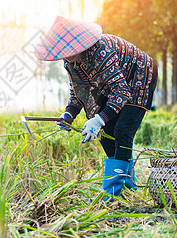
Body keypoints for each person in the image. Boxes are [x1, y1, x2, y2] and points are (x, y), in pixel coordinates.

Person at [34, 16, 157, 201]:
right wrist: (69, 114)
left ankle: (113, 193)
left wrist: (98, 119)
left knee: (122, 130)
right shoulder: (69, 63)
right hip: (112, 85)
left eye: (69, 51)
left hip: (138, 78)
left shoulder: (101, 50)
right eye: (63, 54)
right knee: (106, 132)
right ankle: (128, 185)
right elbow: (78, 91)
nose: (67, 56)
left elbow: (122, 92)